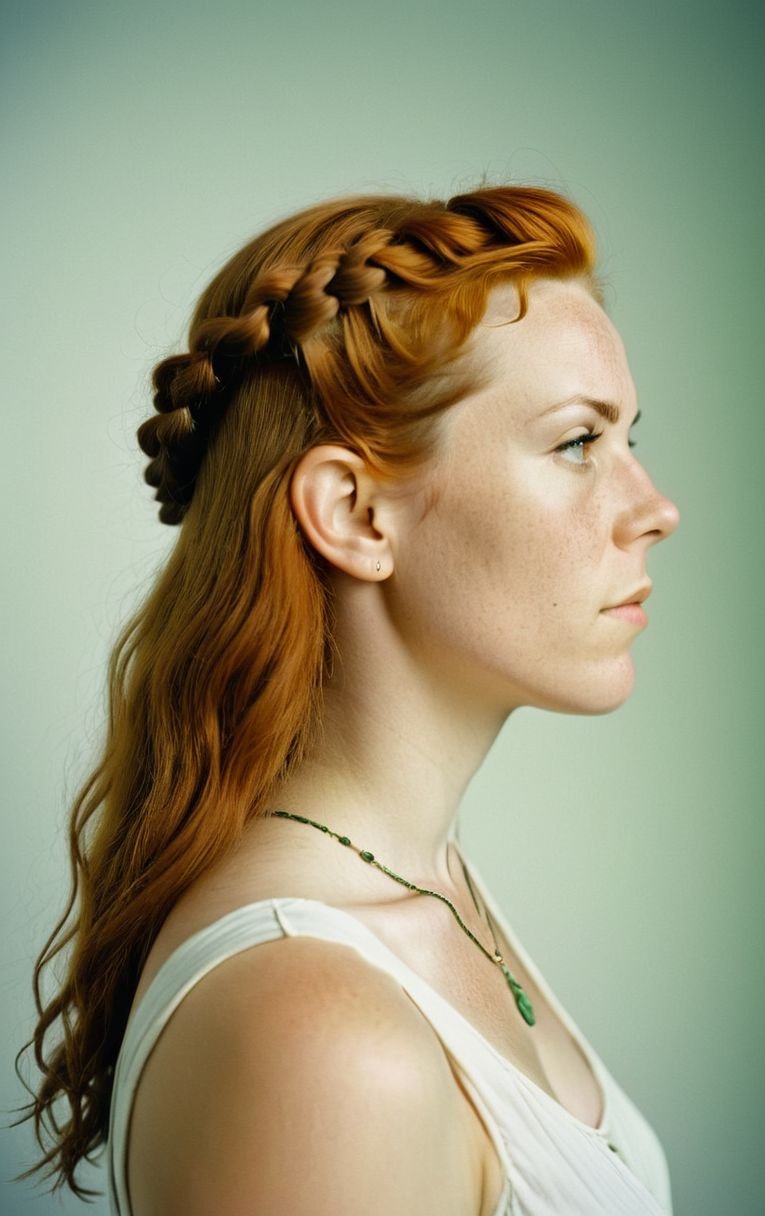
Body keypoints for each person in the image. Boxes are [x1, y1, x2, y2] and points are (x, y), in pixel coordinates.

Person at [14, 182, 680, 1215]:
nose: (656, 509)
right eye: (577, 442)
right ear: (356, 513)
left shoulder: (426, 877)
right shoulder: (319, 1037)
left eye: (632, 437)